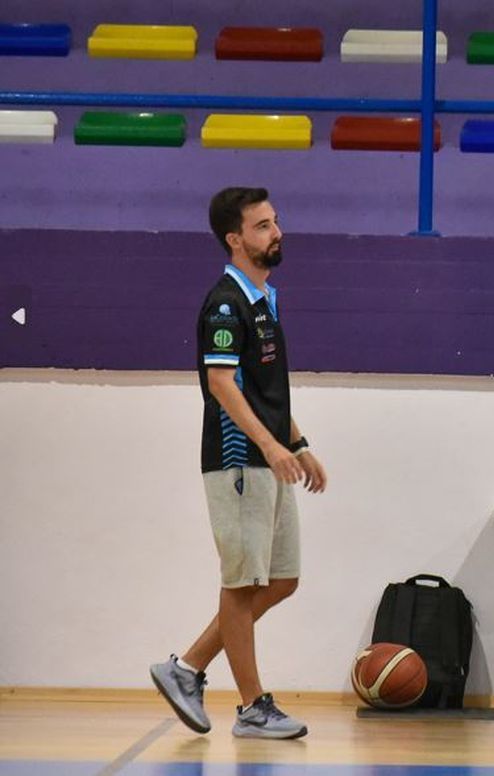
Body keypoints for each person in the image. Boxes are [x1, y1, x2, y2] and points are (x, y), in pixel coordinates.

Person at [149, 187, 329, 740]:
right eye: (262, 226)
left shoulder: (264, 299)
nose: (276, 233)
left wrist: (298, 444)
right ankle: (252, 706)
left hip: (270, 458)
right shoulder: (225, 304)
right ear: (235, 239)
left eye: (275, 221)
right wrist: (270, 447)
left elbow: (265, 391)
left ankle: (186, 668)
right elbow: (223, 384)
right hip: (239, 463)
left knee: (282, 579)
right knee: (241, 583)